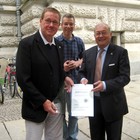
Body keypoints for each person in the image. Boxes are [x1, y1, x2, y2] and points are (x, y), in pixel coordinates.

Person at [16, 7, 74, 140]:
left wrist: (65, 78)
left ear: (58, 25)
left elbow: (57, 69)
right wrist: (43, 101)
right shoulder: (27, 44)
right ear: (40, 21)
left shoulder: (59, 45)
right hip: (35, 106)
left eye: (55, 22)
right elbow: (23, 79)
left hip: (56, 104)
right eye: (48, 20)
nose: (51, 25)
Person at [78, 22, 130, 140]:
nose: (100, 36)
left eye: (103, 33)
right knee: (96, 137)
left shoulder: (120, 52)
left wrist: (105, 85)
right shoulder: (87, 53)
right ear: (94, 36)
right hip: (93, 104)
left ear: (110, 34)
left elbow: (125, 77)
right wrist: (83, 79)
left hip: (113, 105)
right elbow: (81, 72)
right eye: (98, 33)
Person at [56, 13, 85, 140]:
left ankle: (72, 136)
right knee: (60, 113)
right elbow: (52, 61)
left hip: (75, 82)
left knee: (74, 113)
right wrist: (63, 66)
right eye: (66, 23)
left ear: (74, 25)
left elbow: (85, 58)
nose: (68, 26)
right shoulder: (56, 41)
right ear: (61, 25)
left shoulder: (79, 41)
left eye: (71, 24)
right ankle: (64, 136)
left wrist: (78, 62)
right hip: (59, 82)